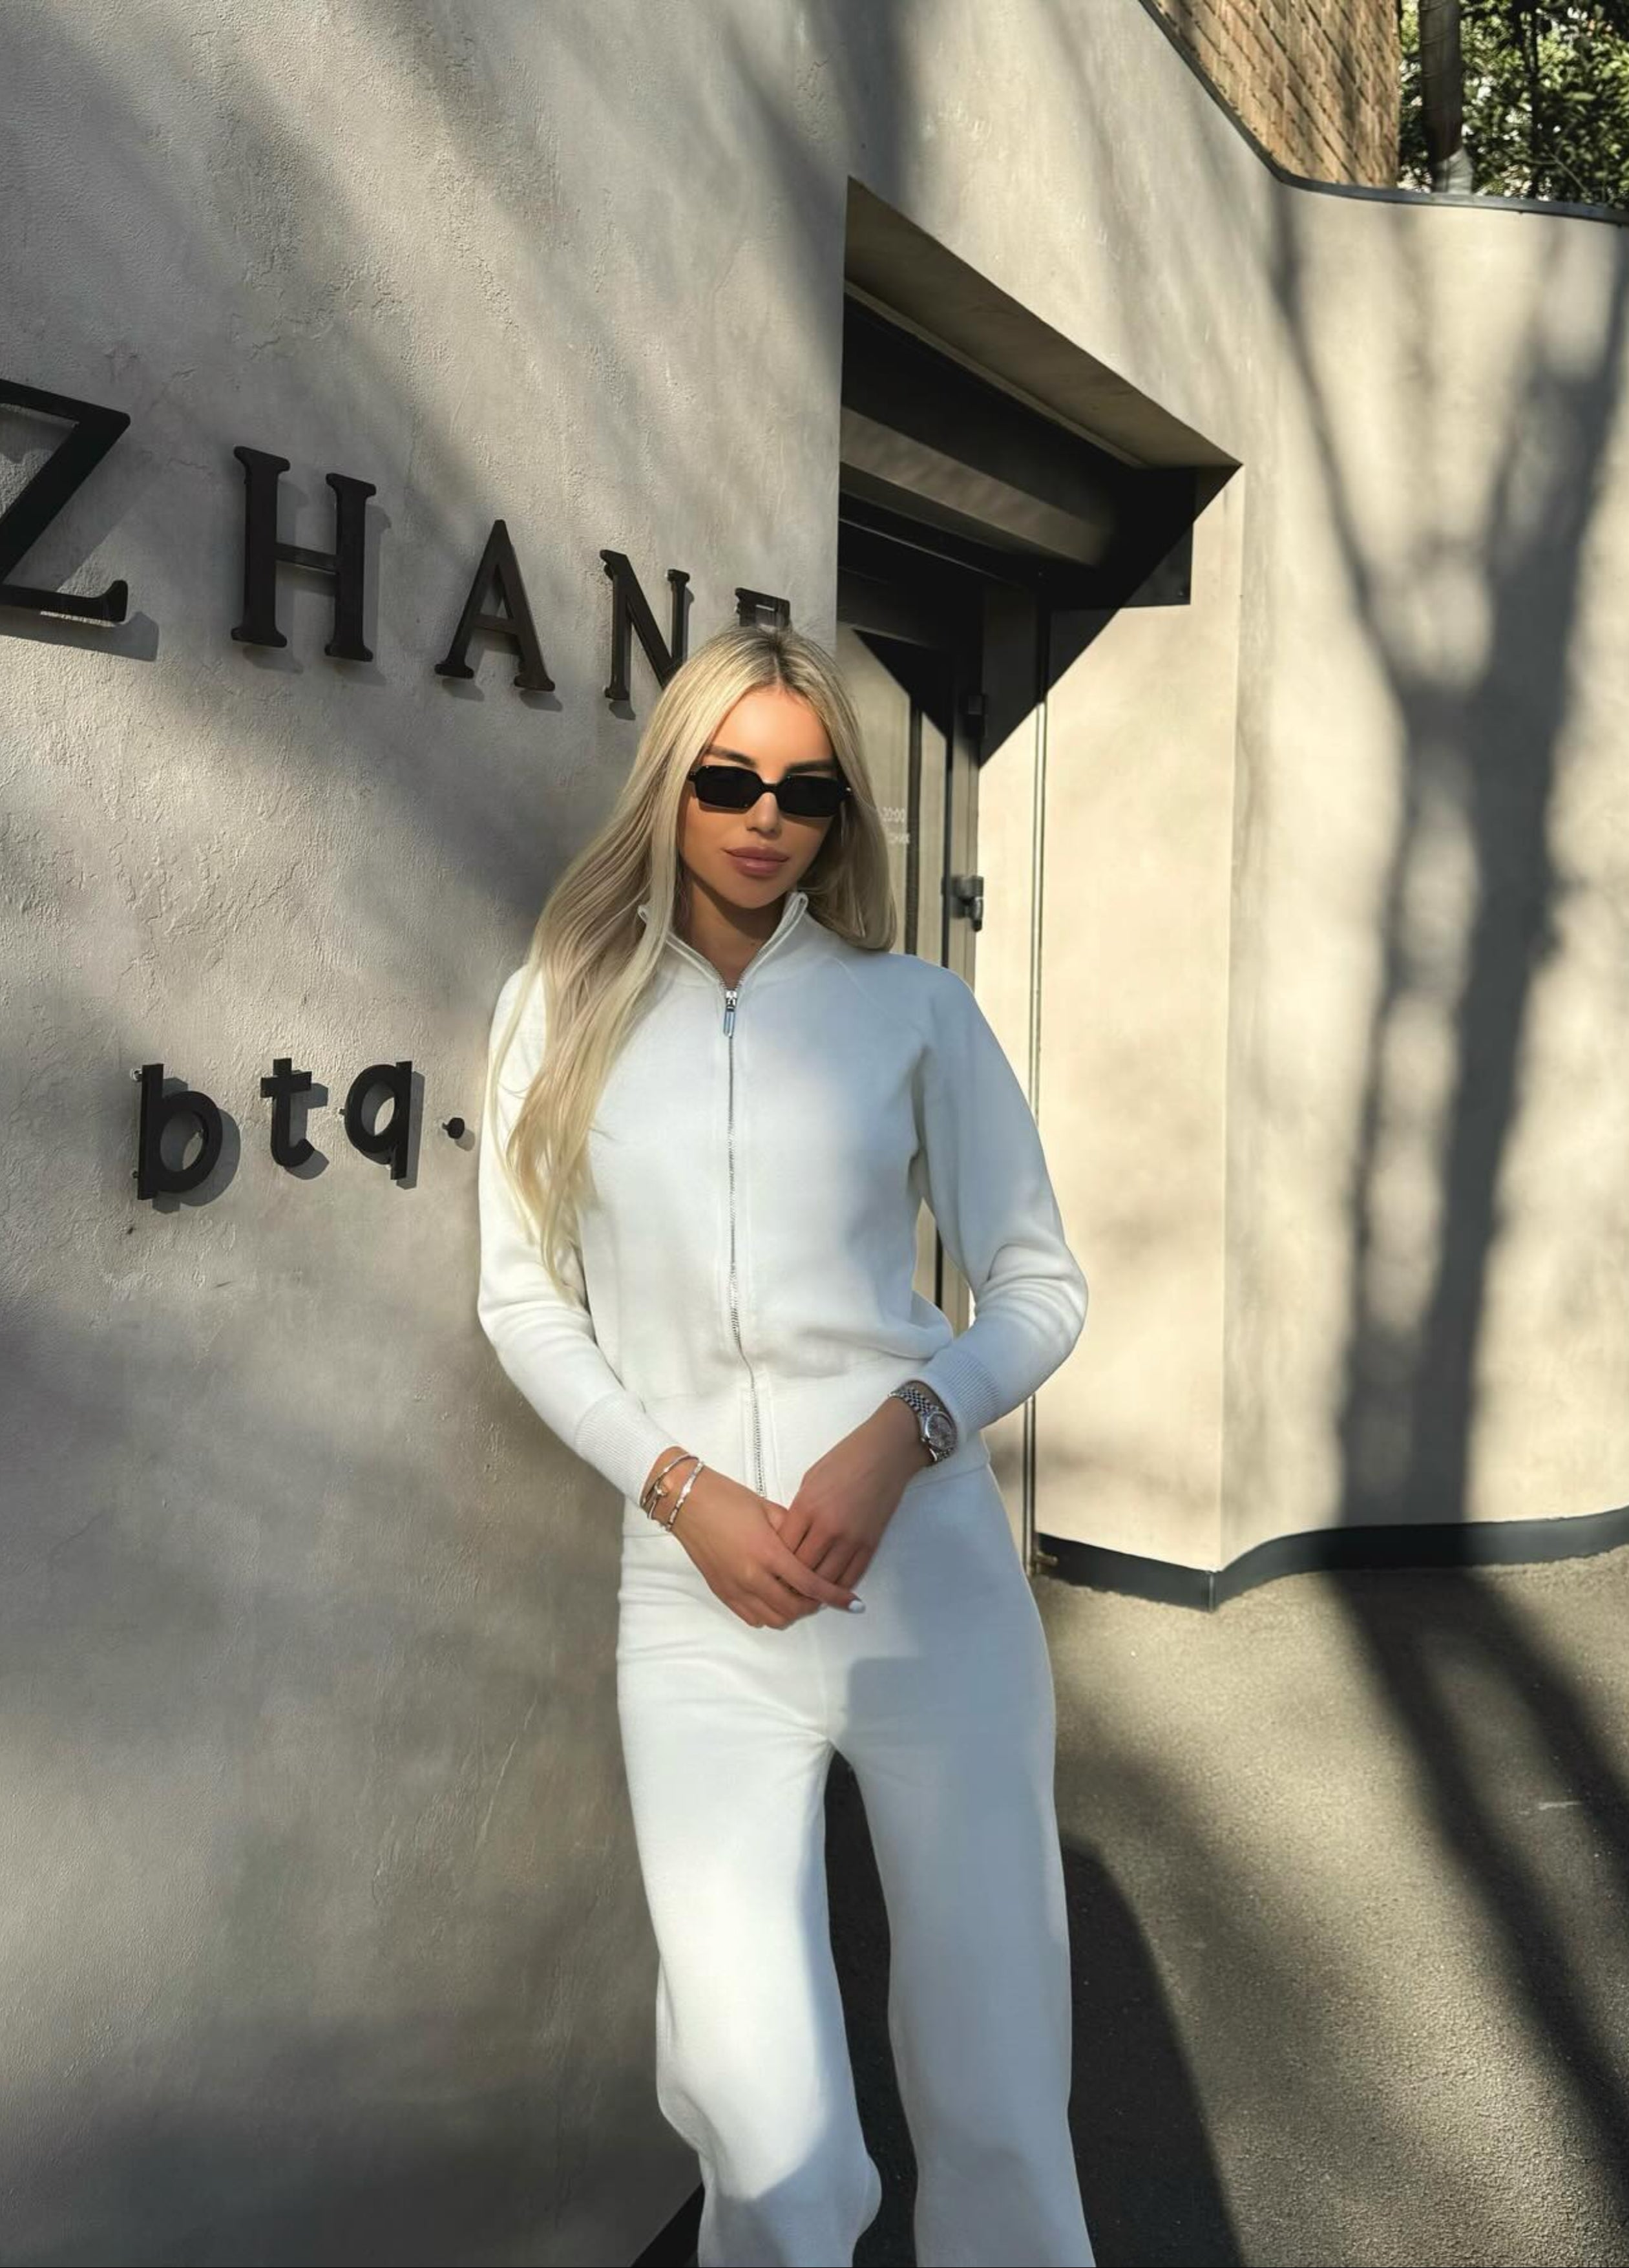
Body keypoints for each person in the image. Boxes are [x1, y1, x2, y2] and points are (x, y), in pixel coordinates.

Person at [476, 620, 1095, 2268]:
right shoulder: (557, 1008)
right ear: (670, 783)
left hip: (929, 1592)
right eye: (729, 779)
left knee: (995, 2095)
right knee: (764, 2132)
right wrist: (676, 1490)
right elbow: (522, 1299)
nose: (765, 817)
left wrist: (905, 1429)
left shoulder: (913, 1010)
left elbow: (1038, 1282)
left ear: (838, 815)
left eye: (806, 791)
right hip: (698, 1613)